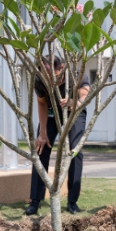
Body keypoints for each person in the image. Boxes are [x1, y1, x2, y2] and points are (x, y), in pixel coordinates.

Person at [25, 56, 90, 216]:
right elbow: (41, 103)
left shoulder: (75, 74)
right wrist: (42, 133)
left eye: (53, 77)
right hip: (52, 112)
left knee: (74, 151)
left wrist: (72, 103)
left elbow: (84, 97)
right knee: (41, 149)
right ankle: (35, 201)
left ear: (61, 69)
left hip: (74, 110)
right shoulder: (39, 80)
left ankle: (72, 202)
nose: (50, 82)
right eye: (46, 77)